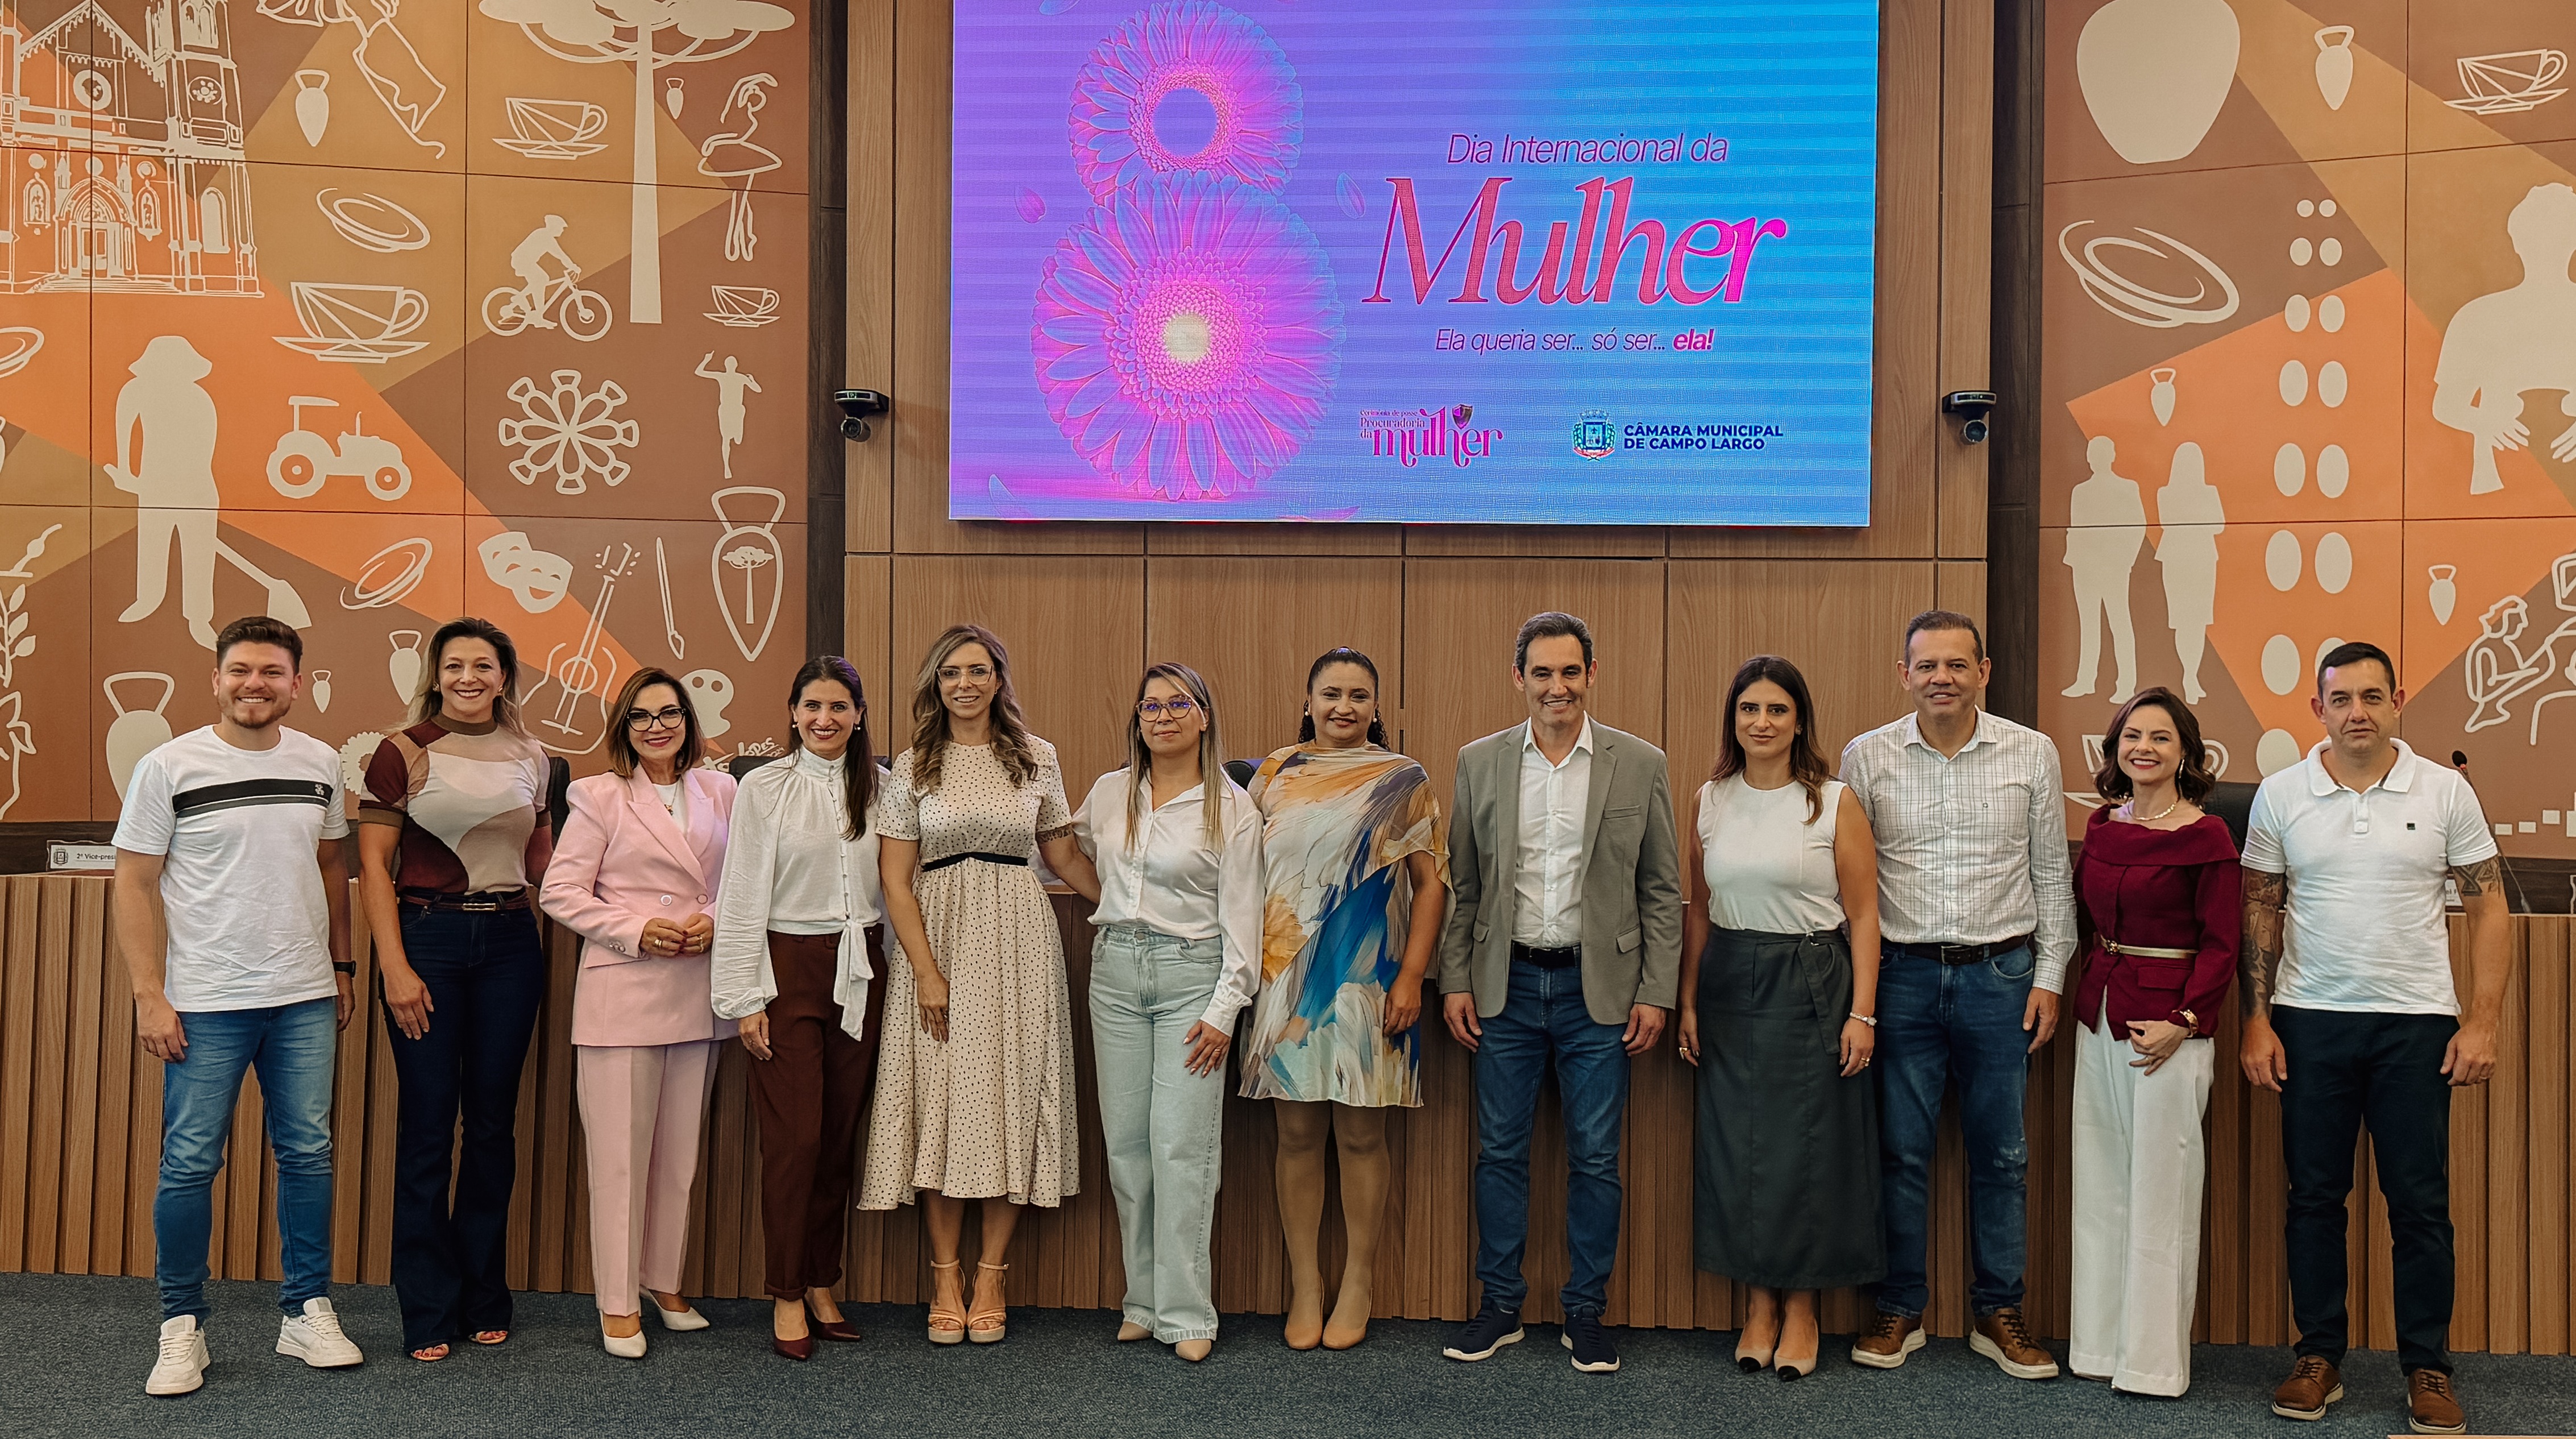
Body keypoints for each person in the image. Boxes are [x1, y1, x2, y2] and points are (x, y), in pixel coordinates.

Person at [2240, 642, 2510, 1435]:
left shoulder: (2446, 788)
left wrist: (2483, 1017)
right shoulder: (2282, 793)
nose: (2356, 710)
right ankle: (2318, 1355)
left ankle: (2427, 1364)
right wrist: (2256, 1018)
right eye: (2340, 697)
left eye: (2371, 695)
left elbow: (2489, 905)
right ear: (2317, 709)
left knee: (2420, 1205)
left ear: (2397, 701)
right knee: (2315, 1198)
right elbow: (2261, 905)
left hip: (2417, 1024)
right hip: (2309, 1020)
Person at [117, 617, 364, 1396]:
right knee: (190, 1163)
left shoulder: (322, 761)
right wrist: (149, 995)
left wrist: (344, 964)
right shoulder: (168, 764)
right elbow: (131, 880)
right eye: (241, 670)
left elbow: (332, 865)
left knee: (308, 1155)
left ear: (296, 681)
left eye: (272, 671)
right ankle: (182, 1325)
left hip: (304, 997)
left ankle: (306, 1308)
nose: (254, 683)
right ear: (216, 678)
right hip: (206, 1001)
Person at [1437, 611, 1681, 1375]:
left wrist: (1658, 992)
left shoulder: (1639, 764)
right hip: (1504, 987)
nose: (1556, 686)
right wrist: (1453, 979)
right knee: (1501, 1153)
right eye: (1541, 672)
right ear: (1519, 678)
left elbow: (1662, 889)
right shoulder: (1479, 761)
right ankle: (1501, 1305)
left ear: (1592, 673)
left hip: (1597, 992)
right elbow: (1463, 883)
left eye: (1570, 671)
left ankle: (1586, 1311)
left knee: (1596, 1158)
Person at [1839, 609, 2071, 1379]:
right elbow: (1853, 889)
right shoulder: (1866, 757)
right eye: (1927, 664)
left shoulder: (2032, 752)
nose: (1942, 676)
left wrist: (2049, 976)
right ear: (1903, 674)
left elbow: (2051, 874)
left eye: (1957, 664)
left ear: (1984, 670)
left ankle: (1997, 1309)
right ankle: (1901, 1306)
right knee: (1900, 1151)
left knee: (2002, 1154)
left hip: (2001, 978)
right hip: (1902, 976)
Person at [863, 624, 1101, 1345]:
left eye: (977, 670)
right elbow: (894, 880)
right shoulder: (912, 764)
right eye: (949, 673)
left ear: (998, 678)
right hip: (936, 937)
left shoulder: (1037, 756)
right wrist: (928, 972)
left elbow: (1059, 850)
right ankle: (944, 1272)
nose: (963, 683)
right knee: (940, 1096)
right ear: (935, 686)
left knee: (1009, 1092)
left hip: (1020, 937)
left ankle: (992, 1271)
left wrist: (1126, 908)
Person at [1677, 655, 1883, 1382]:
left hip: (1812, 980)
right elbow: (1698, 910)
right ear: (1732, 720)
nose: (1760, 722)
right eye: (1747, 710)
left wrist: (1862, 1011)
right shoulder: (1709, 798)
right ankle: (1757, 1303)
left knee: (1808, 1148)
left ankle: (1801, 1308)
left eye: (1776, 710)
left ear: (1799, 721)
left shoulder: (1832, 800)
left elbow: (1863, 915)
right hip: (1731, 979)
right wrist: (1690, 1000)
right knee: (1740, 1149)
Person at [1239, 648, 1449, 1351]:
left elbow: (1430, 885)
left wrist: (1413, 975)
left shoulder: (1402, 778)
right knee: (1294, 1134)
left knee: (1362, 1133)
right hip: (1285, 976)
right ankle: (1305, 1281)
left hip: (1373, 978)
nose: (1344, 706)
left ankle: (1357, 1278)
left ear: (1376, 707)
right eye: (1330, 693)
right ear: (1307, 700)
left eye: (1359, 695)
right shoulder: (1272, 773)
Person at [355, 617, 553, 1363]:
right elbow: (374, 868)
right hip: (427, 943)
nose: (470, 675)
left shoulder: (537, 757)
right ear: (435, 674)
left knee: (494, 1127)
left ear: (505, 675)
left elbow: (544, 865)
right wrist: (395, 966)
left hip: (509, 945)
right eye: (455, 664)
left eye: (485, 664)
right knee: (429, 1129)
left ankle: (483, 1295)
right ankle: (427, 1310)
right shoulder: (399, 750)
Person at [539, 669, 738, 1359]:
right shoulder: (596, 793)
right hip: (625, 986)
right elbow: (559, 891)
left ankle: (661, 1279)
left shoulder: (722, 788)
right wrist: (633, 928)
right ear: (622, 727)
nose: (657, 726)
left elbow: (739, 880)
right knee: (621, 1160)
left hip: (697, 985)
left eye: (670, 712)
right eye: (641, 716)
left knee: (677, 1155)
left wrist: (714, 919)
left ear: (688, 719)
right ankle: (617, 1300)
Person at [1073, 662, 1263, 1362]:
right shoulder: (1109, 791)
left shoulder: (1232, 805)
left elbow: (1243, 918)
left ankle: (1187, 1314)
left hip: (1193, 980)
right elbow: (1064, 854)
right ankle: (1142, 1301)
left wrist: (1224, 1009)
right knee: (1127, 1148)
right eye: (1150, 704)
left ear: (1204, 716)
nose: (1162, 715)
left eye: (1178, 703)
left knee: (1181, 1148)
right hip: (1115, 972)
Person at [711, 656, 888, 1360]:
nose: (824, 719)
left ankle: (821, 1279)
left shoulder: (886, 786)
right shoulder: (764, 786)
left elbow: (903, 881)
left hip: (863, 971)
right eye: (811, 705)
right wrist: (744, 995)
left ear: (858, 713)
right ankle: (785, 1290)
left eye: (839, 706)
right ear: (791, 712)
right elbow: (743, 888)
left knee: (839, 1137)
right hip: (786, 970)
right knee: (795, 1142)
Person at [2067, 687, 2238, 1396]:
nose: (2143, 747)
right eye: (2131, 735)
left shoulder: (2208, 836)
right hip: (2099, 1012)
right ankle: (2099, 1347)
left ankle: (2152, 1362)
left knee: (2160, 1192)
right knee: (2100, 1185)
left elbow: (2222, 944)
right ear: (2113, 750)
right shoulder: (2102, 825)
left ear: (2185, 753)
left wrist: (2186, 1020)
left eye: (2161, 737)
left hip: (2166, 1028)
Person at [508, 215, 577, 327]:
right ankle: (525, 304)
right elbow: (561, 255)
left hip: (526, 261)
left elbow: (561, 256)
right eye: (561, 228)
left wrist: (572, 265)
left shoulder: (546, 236)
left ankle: (534, 313)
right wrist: (573, 266)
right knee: (542, 279)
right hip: (521, 260)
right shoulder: (545, 236)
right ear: (554, 227)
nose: (562, 230)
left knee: (540, 284)